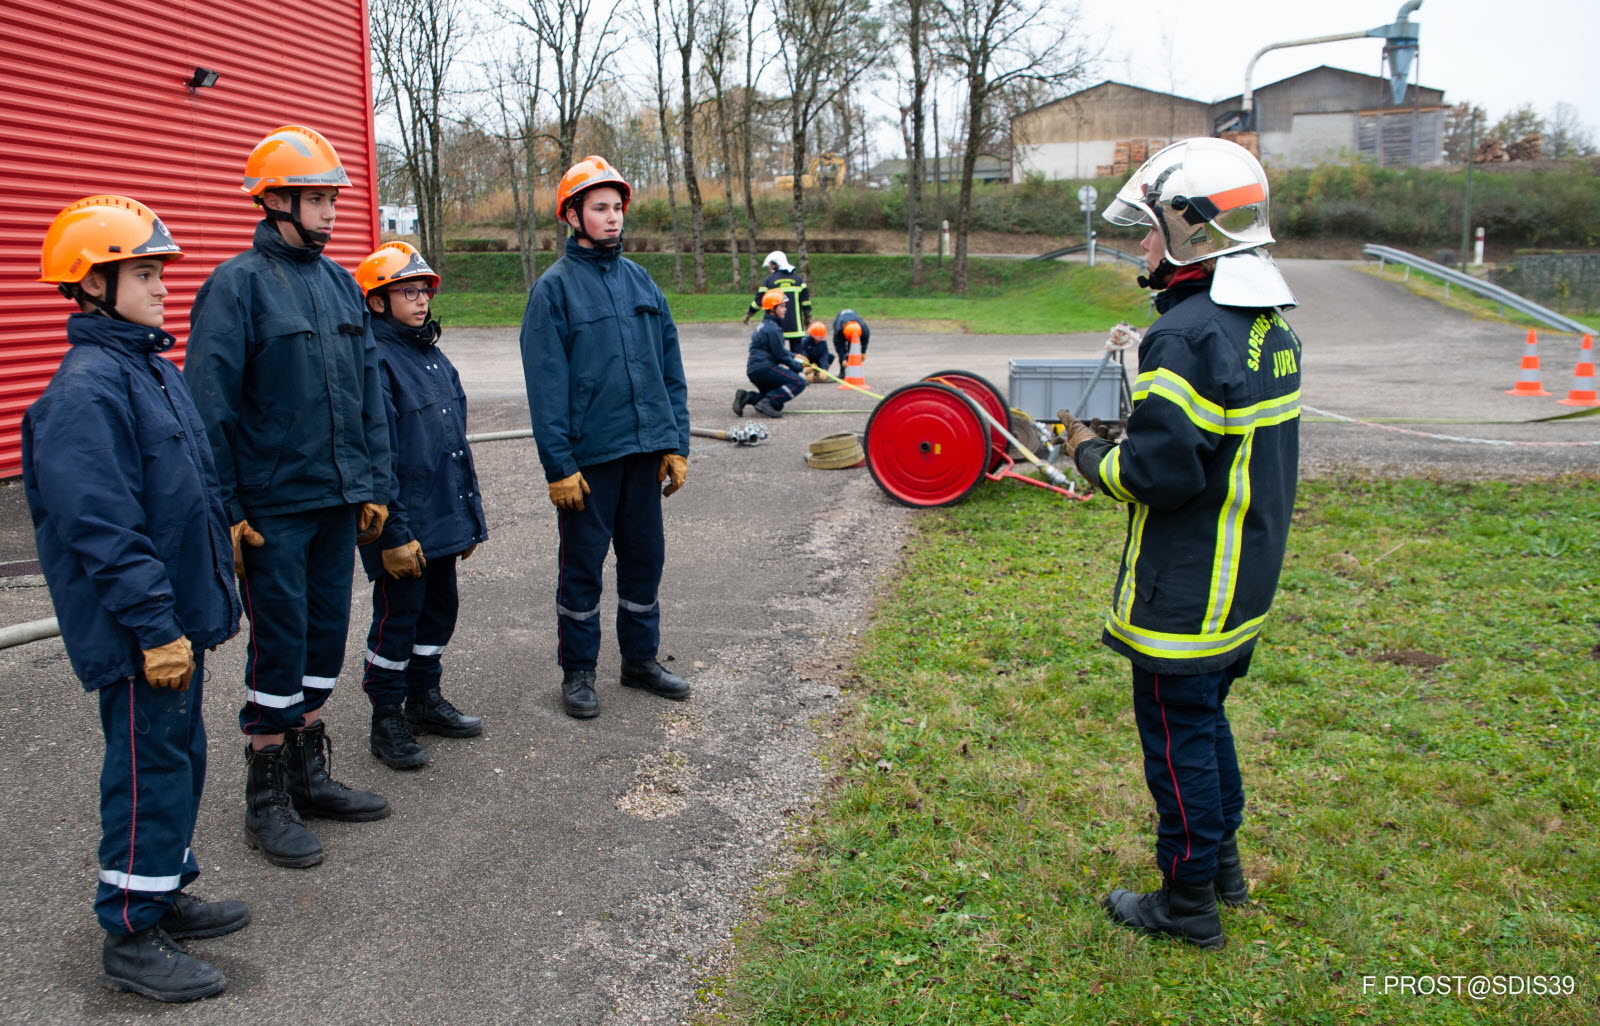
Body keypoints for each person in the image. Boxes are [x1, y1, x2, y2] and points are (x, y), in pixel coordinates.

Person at [1060, 137, 1301, 950]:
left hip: (1190, 589)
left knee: (1177, 741)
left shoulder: (1187, 336)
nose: (1141, 245)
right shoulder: (1267, 325)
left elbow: (1160, 473)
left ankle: (1187, 900)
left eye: (1151, 229)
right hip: (1245, 576)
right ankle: (1224, 864)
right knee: (1205, 722)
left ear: (1193, 231)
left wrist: (1093, 457)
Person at [24, 196, 248, 1001]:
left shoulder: (150, 369)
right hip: (138, 633)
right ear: (91, 285)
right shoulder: (86, 392)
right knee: (147, 769)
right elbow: (104, 530)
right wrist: (155, 627)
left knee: (180, 758)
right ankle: (130, 931)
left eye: (160, 272)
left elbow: (193, 477)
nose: (162, 287)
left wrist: (229, 528)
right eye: (144, 273)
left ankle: (166, 887)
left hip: (176, 619)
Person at [185, 125, 392, 869]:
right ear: (273, 199)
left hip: (337, 502)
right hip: (272, 510)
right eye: (315, 197)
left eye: (333, 196)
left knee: (322, 642)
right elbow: (207, 407)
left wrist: (372, 485)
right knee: (278, 649)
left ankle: (308, 777)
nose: (331, 210)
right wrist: (229, 509)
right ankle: (265, 798)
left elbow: (371, 393)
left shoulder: (340, 283)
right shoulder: (235, 286)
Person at [519, 155, 693, 720]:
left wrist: (676, 441)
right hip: (590, 461)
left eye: (618, 207)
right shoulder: (554, 292)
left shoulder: (640, 280)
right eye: (600, 208)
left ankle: (640, 661)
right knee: (583, 567)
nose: (613, 217)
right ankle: (578, 673)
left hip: (643, 453)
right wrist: (558, 465)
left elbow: (670, 368)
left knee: (645, 561)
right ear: (572, 215)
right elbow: (546, 388)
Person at [354, 242, 488, 770]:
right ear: (377, 302)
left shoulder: (432, 357)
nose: (420, 301)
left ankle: (423, 700)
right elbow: (377, 456)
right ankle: (387, 717)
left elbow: (455, 446)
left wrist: (467, 521)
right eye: (406, 291)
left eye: (423, 291)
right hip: (403, 524)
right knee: (396, 621)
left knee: (438, 613)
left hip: (442, 518)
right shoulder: (377, 361)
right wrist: (392, 534)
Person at [734, 289, 806, 418]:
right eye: (782, 306)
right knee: (799, 382)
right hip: (764, 369)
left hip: (754, 370)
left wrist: (794, 356)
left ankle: (748, 397)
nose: (785, 309)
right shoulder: (773, 328)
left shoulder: (766, 325)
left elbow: (779, 350)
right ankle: (766, 402)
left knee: (777, 405)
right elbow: (780, 355)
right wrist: (799, 367)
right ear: (772, 309)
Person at [742, 249, 811, 352]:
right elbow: (805, 301)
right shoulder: (798, 280)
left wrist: (749, 314)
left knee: (777, 355)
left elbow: (759, 301)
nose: (770, 268)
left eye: (771, 265)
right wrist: (807, 317)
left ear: (775, 264)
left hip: (776, 327)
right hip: (795, 327)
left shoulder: (769, 281)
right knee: (797, 358)